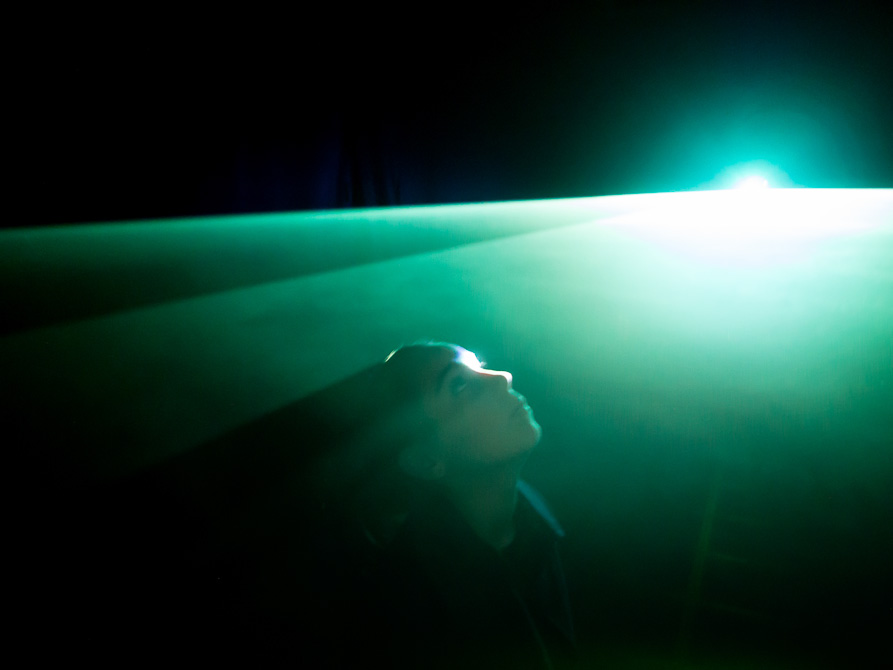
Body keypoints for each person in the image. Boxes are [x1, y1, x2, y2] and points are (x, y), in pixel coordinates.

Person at [348, 341, 578, 669]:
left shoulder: (535, 514)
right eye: (458, 384)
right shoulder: (407, 614)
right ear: (425, 460)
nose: (503, 377)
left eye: (480, 366)